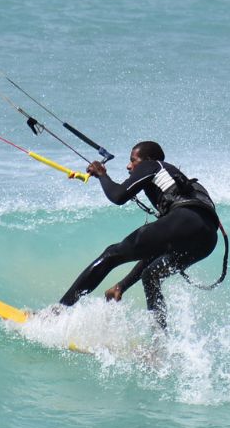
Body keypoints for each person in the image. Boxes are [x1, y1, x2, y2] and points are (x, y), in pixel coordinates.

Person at [58, 141, 221, 330]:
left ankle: (55, 314)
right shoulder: (176, 180)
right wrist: (122, 286)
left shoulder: (152, 165)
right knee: (151, 275)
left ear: (147, 160)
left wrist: (102, 175)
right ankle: (159, 346)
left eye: (132, 160)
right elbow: (154, 250)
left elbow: (118, 196)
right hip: (207, 239)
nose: (129, 166)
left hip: (185, 219)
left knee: (111, 255)